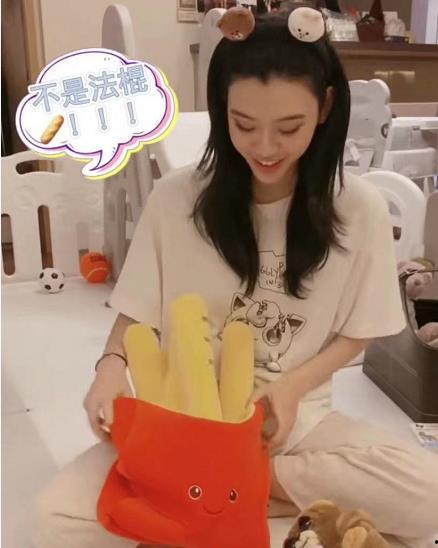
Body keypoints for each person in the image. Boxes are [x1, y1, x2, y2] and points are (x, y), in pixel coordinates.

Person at [34, 8, 438, 548]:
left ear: (325, 108)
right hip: (183, 425)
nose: (265, 148)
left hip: (289, 428)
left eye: (288, 128)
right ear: (221, 106)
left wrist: (292, 387)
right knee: (59, 518)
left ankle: (223, 493)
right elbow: (138, 310)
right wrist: (109, 370)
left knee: (428, 495)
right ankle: (228, 497)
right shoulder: (176, 198)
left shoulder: (357, 208)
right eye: (244, 124)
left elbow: (358, 330)